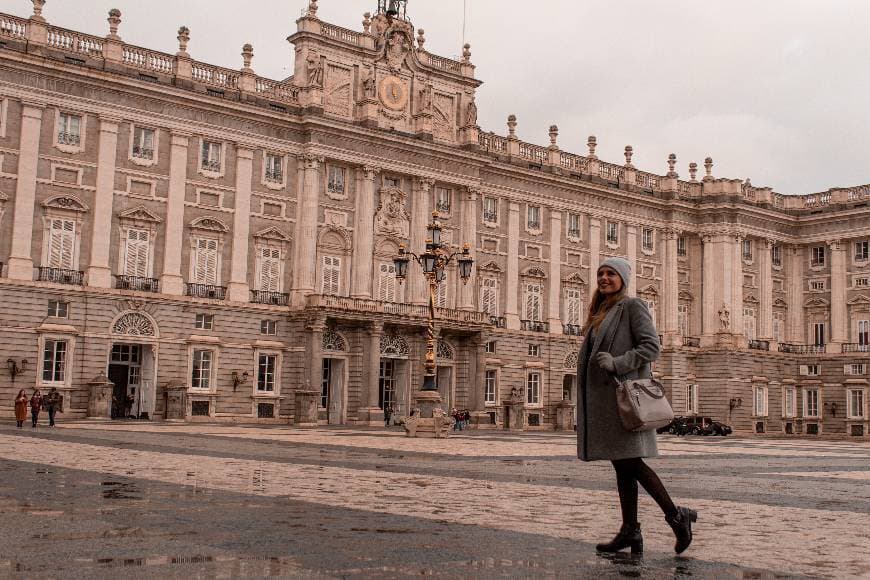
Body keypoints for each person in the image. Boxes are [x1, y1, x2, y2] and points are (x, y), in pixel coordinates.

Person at [576, 257, 697, 555]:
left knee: (631, 464)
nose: (604, 278)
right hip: (607, 404)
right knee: (623, 466)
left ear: (623, 279)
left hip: (623, 402)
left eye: (611, 274)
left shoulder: (631, 306)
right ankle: (630, 530)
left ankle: (677, 516)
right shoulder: (600, 311)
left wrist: (617, 363)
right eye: (601, 273)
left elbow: (651, 346)